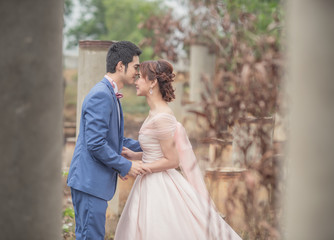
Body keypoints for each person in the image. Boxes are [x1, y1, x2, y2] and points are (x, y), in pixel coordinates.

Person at [114, 59, 242, 240]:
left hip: (158, 183)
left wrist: (142, 167)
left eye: (140, 78)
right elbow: (158, 152)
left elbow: (172, 160)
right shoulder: (154, 113)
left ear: (152, 82)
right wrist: (136, 155)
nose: (136, 81)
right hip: (149, 180)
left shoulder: (162, 117)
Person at [67, 41, 151, 240]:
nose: (137, 72)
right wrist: (125, 166)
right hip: (89, 182)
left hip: (93, 183)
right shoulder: (102, 95)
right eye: (135, 67)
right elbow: (96, 143)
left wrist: (149, 146)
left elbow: (115, 139)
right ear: (120, 66)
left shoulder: (110, 94)